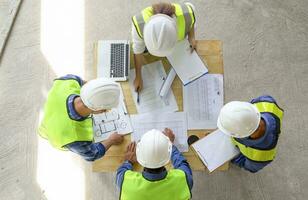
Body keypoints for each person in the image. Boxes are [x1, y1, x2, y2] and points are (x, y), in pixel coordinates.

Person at [38, 74, 124, 161]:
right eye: (106, 110)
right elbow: (93, 155)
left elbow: (84, 83)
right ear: (100, 110)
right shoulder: (76, 140)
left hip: (49, 117)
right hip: (55, 135)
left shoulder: (70, 81)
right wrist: (111, 140)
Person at [132, 2, 196, 91]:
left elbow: (191, 21)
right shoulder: (139, 23)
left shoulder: (186, 13)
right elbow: (137, 49)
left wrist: (192, 36)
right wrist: (138, 76)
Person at [116, 128, 193, 200]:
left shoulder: (126, 181)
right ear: (167, 154)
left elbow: (121, 172)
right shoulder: (183, 179)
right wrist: (170, 145)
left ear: (139, 154)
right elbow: (183, 165)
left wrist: (128, 161)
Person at [217, 95, 284, 173]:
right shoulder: (266, 102)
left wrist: (232, 157)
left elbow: (248, 166)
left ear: (238, 135)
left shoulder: (259, 156)